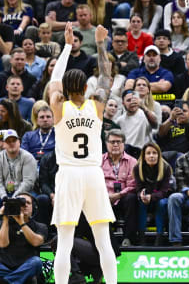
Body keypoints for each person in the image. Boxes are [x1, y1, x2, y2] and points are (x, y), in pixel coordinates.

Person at [48, 23, 118, 284]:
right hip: (92, 174)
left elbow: (55, 78)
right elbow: (106, 77)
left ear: (65, 88)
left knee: (65, 241)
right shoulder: (97, 104)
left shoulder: (58, 105)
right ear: (85, 87)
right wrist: (101, 44)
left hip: (68, 174)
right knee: (103, 239)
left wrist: (67, 46)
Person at [0, 193, 48, 284]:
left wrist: (21, 223)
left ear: (33, 208)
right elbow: (2, 244)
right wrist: (5, 219)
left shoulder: (40, 226)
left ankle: (3, 282)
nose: (25, 205)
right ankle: (21, 279)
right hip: (5, 265)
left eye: (28, 203)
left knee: (36, 262)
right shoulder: (4, 223)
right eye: (21, 203)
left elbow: (36, 242)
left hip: (27, 265)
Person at [0, 129, 37, 240]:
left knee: (33, 202)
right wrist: (4, 196)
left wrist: (15, 198)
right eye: (8, 141)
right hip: (3, 193)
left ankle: (31, 236)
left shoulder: (28, 157)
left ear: (19, 142)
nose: (11, 143)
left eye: (14, 140)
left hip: (24, 192)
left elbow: (29, 181)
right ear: (3, 144)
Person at [101, 130, 138, 246]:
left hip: (123, 197)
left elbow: (132, 185)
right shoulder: (99, 160)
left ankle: (128, 238)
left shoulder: (132, 161)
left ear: (124, 144)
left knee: (131, 198)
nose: (115, 145)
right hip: (104, 197)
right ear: (106, 144)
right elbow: (94, 182)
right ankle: (104, 240)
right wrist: (105, 196)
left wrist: (119, 195)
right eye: (112, 142)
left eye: (118, 142)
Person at [133, 142, 171, 246]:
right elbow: (138, 188)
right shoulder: (137, 168)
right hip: (146, 199)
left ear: (159, 155)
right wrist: (141, 195)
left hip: (161, 198)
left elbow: (165, 191)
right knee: (141, 203)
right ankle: (141, 237)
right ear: (144, 156)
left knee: (161, 203)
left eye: (154, 153)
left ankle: (159, 237)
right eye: (148, 153)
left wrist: (152, 197)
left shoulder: (166, 167)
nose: (151, 156)